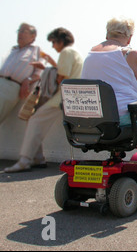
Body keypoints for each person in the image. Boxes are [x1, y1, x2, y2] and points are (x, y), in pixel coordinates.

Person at [80, 17, 137, 187]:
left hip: (90, 119)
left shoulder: (91, 53)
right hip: (120, 118)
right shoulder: (130, 53)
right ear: (129, 37)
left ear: (107, 33)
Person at [5, 27, 83, 173]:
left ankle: (25, 160)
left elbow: (61, 77)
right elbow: (64, 71)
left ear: (60, 41)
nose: (53, 46)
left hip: (61, 98)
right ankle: (37, 158)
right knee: (35, 121)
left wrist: (45, 69)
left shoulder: (66, 52)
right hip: (72, 97)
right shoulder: (75, 52)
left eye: (54, 42)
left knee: (35, 121)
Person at [0, 23, 55, 125]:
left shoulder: (36, 50)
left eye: (23, 31)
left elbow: (40, 71)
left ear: (33, 36)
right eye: (19, 31)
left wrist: (28, 80)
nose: (19, 34)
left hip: (11, 87)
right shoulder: (13, 49)